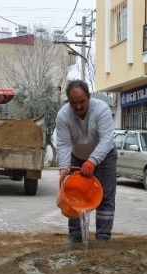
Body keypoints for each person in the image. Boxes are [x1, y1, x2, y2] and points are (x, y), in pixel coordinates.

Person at [55, 80, 117, 245]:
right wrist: (64, 170)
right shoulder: (63, 115)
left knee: (106, 196)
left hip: (105, 157)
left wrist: (93, 161)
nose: (78, 107)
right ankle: (76, 236)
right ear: (69, 101)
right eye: (74, 103)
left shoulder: (101, 109)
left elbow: (106, 140)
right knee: (73, 194)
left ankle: (103, 238)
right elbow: (63, 145)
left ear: (89, 97)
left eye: (81, 101)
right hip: (77, 157)